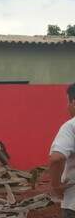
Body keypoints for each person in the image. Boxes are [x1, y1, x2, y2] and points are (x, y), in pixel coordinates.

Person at [49, 83, 75, 217]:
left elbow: (56, 158)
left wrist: (56, 186)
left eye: (67, 102)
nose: (67, 107)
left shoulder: (71, 126)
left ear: (74, 102)